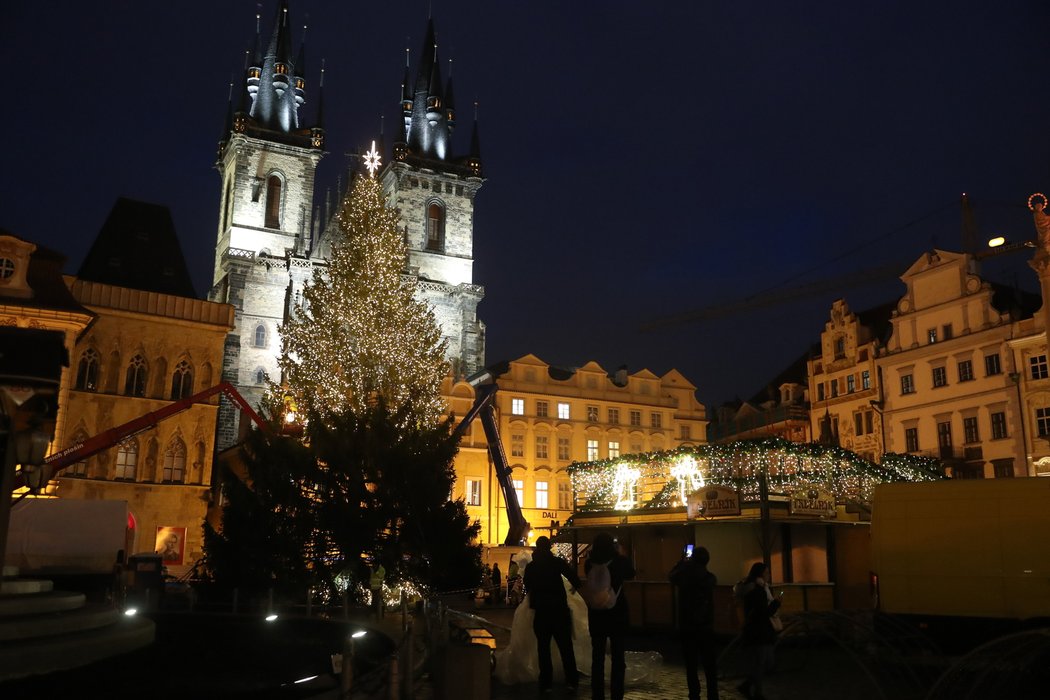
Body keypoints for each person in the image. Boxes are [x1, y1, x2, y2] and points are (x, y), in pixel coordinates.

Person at [522, 536, 581, 693]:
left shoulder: (532, 567)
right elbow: (573, 576)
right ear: (548, 547)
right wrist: (575, 587)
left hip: (541, 611)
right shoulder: (556, 563)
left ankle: (546, 682)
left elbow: (527, 585)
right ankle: (572, 680)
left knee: (543, 648)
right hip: (559, 609)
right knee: (566, 647)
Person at [585, 533, 635, 700]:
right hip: (616, 614)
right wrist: (620, 553)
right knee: (618, 656)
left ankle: (597, 692)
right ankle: (616, 692)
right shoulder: (620, 562)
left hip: (596, 615)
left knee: (597, 656)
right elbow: (631, 573)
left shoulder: (588, 564)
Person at [669, 545, 718, 700]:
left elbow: (671, 575)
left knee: (691, 664)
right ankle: (712, 694)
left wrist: (682, 562)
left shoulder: (683, 578)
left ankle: (694, 694)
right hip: (705, 626)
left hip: (687, 626)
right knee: (710, 665)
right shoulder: (710, 578)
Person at [734, 562, 780, 700]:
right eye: (766, 573)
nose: (769, 575)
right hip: (760, 630)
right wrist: (776, 603)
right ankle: (757, 693)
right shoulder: (758, 590)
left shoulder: (754, 588)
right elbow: (763, 613)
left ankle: (747, 685)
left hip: (755, 630)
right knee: (763, 662)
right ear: (760, 574)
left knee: (762, 662)